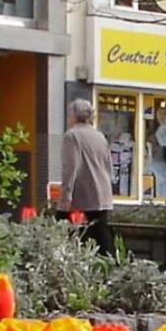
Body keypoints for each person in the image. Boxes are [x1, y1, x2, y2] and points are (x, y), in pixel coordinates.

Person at [60, 98, 115, 253]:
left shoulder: (72, 136)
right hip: (102, 193)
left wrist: (65, 199)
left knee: (76, 236)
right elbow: (108, 165)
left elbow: (70, 168)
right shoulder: (99, 136)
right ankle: (109, 268)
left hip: (82, 195)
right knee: (101, 234)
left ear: (73, 115)